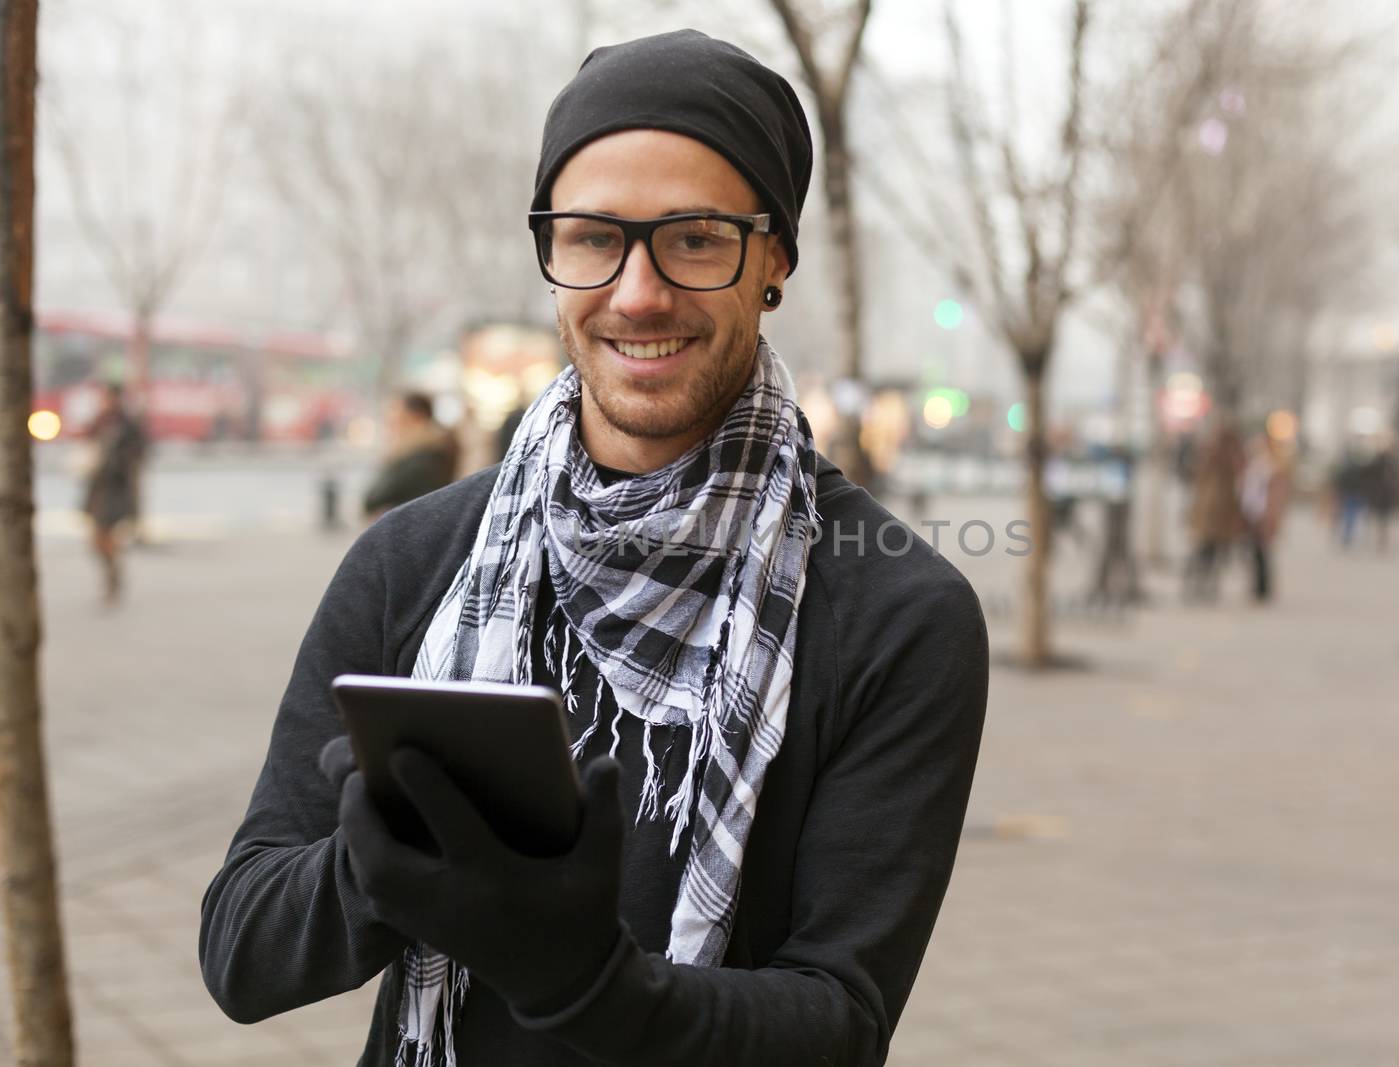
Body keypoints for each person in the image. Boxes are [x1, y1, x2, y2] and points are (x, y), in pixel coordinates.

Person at [200, 30, 988, 1067]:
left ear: (774, 261)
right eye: (590, 237)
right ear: (552, 253)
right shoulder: (416, 561)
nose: (636, 291)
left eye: (696, 238)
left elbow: (835, 1022)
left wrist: (585, 980)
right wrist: (378, 858)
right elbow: (241, 952)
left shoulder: (891, 611)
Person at [81, 384, 145, 603]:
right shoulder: (100, 420)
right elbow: (86, 439)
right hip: (98, 485)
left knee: (105, 533)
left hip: (116, 487)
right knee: (97, 538)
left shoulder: (129, 424)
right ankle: (112, 574)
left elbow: (140, 452)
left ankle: (113, 578)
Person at [361, 391, 459, 520]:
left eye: (398, 418)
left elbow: (373, 499)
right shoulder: (435, 448)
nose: (392, 425)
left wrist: (393, 457)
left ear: (417, 417)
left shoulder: (423, 456)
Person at [1183, 422, 1243, 602]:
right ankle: (1200, 585)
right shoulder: (1218, 459)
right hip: (1214, 516)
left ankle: (1200, 585)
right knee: (1207, 553)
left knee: (1206, 553)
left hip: (1214, 516)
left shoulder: (1216, 459)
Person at [1238, 432, 1290, 603]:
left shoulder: (1271, 466)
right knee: (1254, 552)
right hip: (1252, 512)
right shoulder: (1255, 465)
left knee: (1262, 552)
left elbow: (1276, 495)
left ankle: (1263, 588)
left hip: (1262, 513)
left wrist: (1271, 515)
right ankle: (1258, 586)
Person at [1363, 444, 1399, 552]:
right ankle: (1380, 540)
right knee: (1381, 521)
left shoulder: (1389, 466)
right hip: (1381, 497)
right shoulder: (1385, 466)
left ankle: (1381, 541)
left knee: (1382, 521)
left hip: (1382, 498)